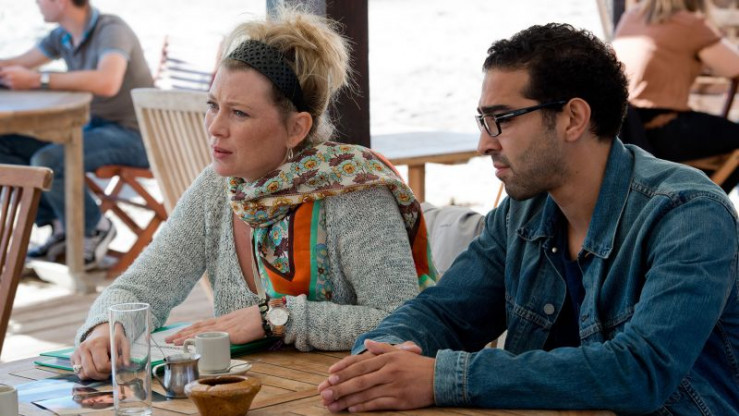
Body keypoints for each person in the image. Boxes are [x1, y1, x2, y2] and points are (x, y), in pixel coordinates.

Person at [318, 23, 739, 415]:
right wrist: (380, 358)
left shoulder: (688, 213)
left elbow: (640, 372)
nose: (484, 144)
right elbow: (444, 314)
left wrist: (442, 378)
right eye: (483, 121)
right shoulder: (524, 212)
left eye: (500, 120)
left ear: (573, 119)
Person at [70, 7, 437, 381]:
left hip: (343, 394)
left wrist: (276, 318)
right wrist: (105, 329)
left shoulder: (354, 192)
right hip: (246, 396)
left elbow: (400, 319)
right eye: (212, 106)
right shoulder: (217, 189)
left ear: (296, 128)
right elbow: (141, 286)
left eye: (239, 113)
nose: (215, 127)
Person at [0, 0, 154, 269]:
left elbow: (108, 81)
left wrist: (38, 80)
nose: (36, 3)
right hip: (93, 127)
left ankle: (94, 227)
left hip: (137, 136)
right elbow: (19, 63)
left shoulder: (111, 29)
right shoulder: (63, 36)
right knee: (5, 144)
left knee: (50, 160)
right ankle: (60, 226)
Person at [612, 0, 739, 192]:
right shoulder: (689, 23)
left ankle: (696, 194)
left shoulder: (631, 17)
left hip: (626, 130)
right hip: (661, 130)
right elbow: (734, 66)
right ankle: (707, 199)